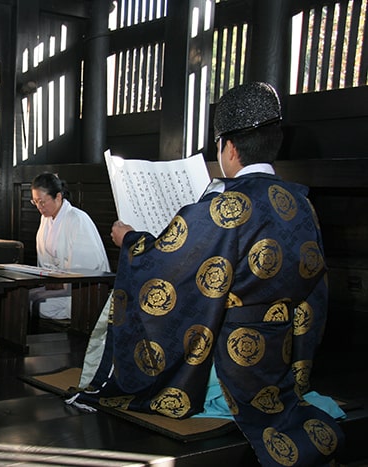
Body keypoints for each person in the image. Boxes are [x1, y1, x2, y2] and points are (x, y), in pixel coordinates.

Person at [70, 82, 345, 466]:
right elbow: (314, 290)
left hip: (225, 363)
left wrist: (130, 238)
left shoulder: (226, 207)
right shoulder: (301, 204)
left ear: (229, 148)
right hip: (276, 360)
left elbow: (168, 265)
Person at [28, 173, 110, 322]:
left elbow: (86, 267)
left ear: (58, 197)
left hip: (79, 290)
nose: (39, 207)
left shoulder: (77, 219)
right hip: (58, 286)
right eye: (35, 202)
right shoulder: (45, 219)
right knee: (23, 299)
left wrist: (60, 282)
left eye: (42, 202)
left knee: (37, 305)